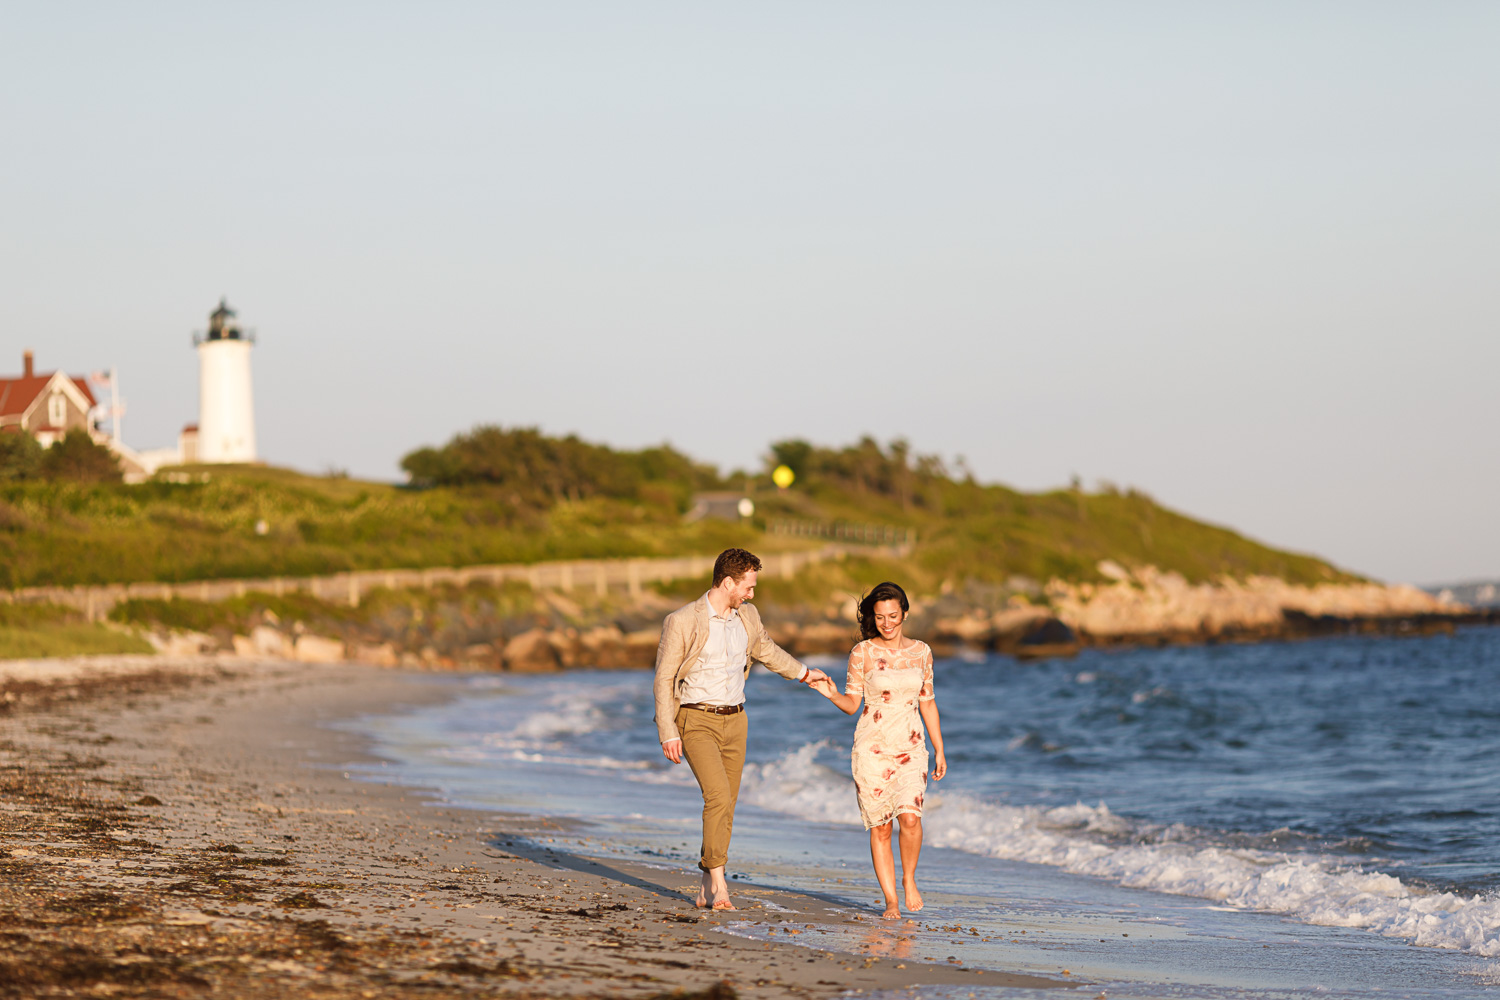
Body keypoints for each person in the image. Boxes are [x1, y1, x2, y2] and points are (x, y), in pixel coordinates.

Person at [653, 547, 831, 910]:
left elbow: (766, 649)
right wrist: (667, 730)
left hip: (736, 720)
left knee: (727, 804)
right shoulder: (683, 620)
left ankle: (704, 883)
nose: (752, 594)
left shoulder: (747, 617)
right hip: (695, 718)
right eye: (747, 587)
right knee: (717, 796)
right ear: (728, 582)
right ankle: (720, 884)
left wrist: (804, 673)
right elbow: (664, 678)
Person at [810, 581, 946, 918]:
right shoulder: (863, 653)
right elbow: (852, 704)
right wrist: (828, 691)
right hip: (872, 749)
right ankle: (891, 901)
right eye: (880, 617)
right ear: (874, 617)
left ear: (905, 614)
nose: (887, 623)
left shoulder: (922, 652)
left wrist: (940, 750)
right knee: (882, 826)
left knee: (910, 819)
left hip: (912, 747)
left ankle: (909, 878)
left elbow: (928, 703)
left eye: (893, 616)